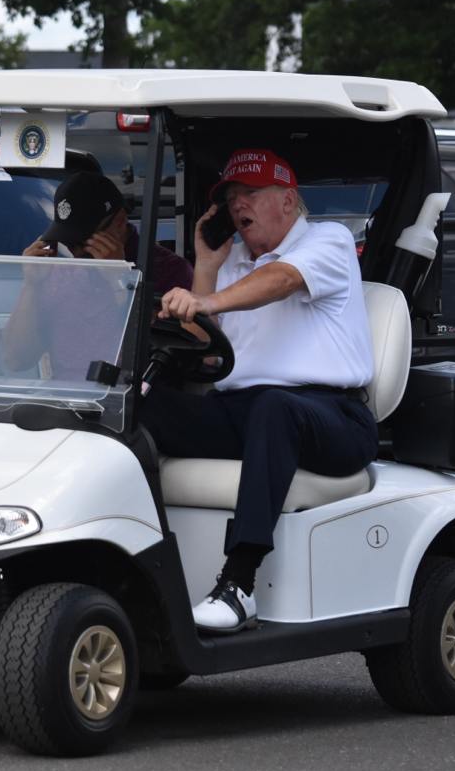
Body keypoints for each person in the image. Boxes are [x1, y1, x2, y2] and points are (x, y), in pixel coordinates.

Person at [145, 148, 379, 634]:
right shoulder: (231, 268)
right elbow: (205, 355)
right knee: (139, 402)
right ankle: (130, 563)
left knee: (274, 408)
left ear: (288, 201)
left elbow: (282, 280)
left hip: (330, 418)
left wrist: (206, 297)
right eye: (231, 198)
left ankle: (239, 583)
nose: (237, 206)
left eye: (250, 194)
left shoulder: (327, 242)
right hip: (243, 413)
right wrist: (206, 266)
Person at [2, 172, 192, 378]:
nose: (75, 251)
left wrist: (120, 280)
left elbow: (168, 360)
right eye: (67, 241)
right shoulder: (61, 274)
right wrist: (31, 285)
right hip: (66, 402)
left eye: (83, 240)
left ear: (119, 222)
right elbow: (16, 360)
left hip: (134, 402)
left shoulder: (169, 271)